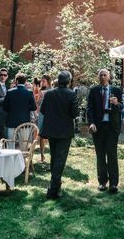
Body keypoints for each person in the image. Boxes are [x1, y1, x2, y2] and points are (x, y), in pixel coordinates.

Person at [40, 70, 79, 199]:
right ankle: (53, 189)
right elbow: (74, 114)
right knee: (60, 159)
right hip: (64, 131)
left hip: (52, 130)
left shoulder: (49, 93)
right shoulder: (71, 94)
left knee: (55, 156)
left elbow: (43, 110)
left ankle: (55, 184)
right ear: (68, 81)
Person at [87, 68, 123, 193]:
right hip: (98, 127)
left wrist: (117, 103)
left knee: (112, 155)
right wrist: (91, 123)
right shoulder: (94, 91)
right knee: (100, 155)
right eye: (100, 75)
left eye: (104, 75)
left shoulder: (116, 90)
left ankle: (113, 184)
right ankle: (102, 182)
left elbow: (121, 107)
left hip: (112, 127)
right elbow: (89, 108)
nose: (102, 77)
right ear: (98, 77)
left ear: (109, 77)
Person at [3, 72, 37, 138]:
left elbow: (4, 107)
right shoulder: (29, 92)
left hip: (11, 121)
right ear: (25, 81)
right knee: (24, 143)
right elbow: (34, 107)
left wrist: (11, 109)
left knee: (11, 142)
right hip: (24, 122)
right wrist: (25, 108)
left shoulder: (10, 92)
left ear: (16, 81)